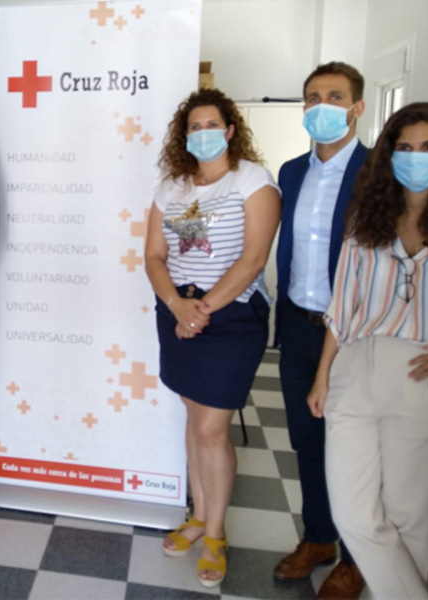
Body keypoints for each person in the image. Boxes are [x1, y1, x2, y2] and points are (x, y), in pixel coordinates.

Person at [145, 88, 281, 587]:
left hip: (232, 318)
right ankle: (198, 516)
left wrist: (201, 310)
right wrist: (178, 307)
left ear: (229, 130)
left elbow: (253, 260)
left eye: (211, 125)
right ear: (186, 136)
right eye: (193, 126)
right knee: (194, 413)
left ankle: (216, 532)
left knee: (211, 429)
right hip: (178, 313)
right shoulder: (171, 187)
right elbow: (154, 256)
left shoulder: (253, 181)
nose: (203, 134)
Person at [307, 102, 428, 600]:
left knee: (408, 513)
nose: (415, 157)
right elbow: (342, 304)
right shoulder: (368, 217)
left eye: (426, 148)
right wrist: (322, 377)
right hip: (355, 365)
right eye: (404, 148)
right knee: (354, 513)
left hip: (416, 374)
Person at [274, 61, 367, 599]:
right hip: (299, 324)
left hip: (356, 334)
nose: (321, 106)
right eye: (312, 97)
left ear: (356, 107)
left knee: (352, 448)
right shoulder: (291, 172)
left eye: (335, 96)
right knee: (307, 440)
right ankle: (319, 538)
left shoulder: (379, 172)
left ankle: (358, 556)